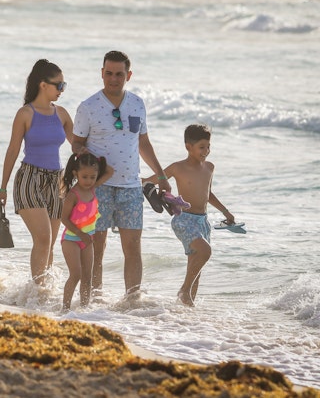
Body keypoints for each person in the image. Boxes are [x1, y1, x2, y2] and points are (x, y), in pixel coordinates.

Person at [72, 50, 170, 297]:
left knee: (133, 248)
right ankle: (93, 300)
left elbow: (144, 143)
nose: (113, 79)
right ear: (101, 73)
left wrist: (160, 175)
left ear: (129, 75)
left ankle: (132, 301)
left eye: (119, 74)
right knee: (96, 246)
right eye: (108, 73)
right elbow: (76, 143)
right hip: (98, 187)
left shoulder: (137, 103)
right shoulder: (88, 107)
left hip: (131, 187)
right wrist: (87, 158)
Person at [0, 59, 74, 285]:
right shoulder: (25, 113)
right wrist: (2, 188)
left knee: (49, 243)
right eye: (59, 85)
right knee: (43, 238)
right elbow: (12, 151)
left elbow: (80, 146)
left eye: (64, 85)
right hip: (29, 178)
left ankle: (43, 290)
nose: (62, 90)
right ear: (43, 85)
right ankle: (37, 292)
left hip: (56, 181)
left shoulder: (62, 114)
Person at [143, 124, 235, 306]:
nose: (206, 151)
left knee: (196, 267)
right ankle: (184, 291)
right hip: (184, 219)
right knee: (205, 252)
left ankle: (187, 311)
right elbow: (149, 181)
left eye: (208, 146)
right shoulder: (177, 167)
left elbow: (208, 194)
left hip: (203, 221)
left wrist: (225, 211)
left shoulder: (209, 167)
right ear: (188, 147)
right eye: (202, 147)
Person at [60, 153, 113, 311]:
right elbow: (64, 219)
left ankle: (84, 309)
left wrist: (95, 158)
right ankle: (65, 308)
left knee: (87, 277)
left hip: (87, 240)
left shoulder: (93, 188)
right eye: (85, 177)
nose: (89, 181)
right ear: (76, 174)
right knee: (76, 274)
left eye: (92, 177)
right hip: (71, 239)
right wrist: (81, 234)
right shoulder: (73, 195)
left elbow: (110, 172)